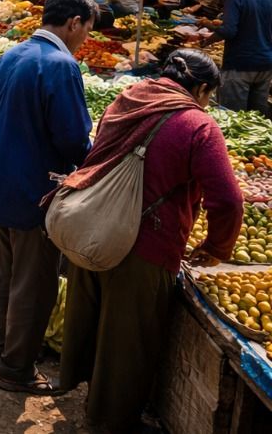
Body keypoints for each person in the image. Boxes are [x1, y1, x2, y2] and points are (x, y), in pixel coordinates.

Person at [58, 50, 242, 432]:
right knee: (128, 341)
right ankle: (110, 421)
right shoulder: (198, 125)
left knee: (91, 318)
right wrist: (216, 248)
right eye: (209, 95)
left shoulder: (127, 99)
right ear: (201, 88)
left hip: (93, 229)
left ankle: (87, 393)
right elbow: (227, 200)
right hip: (146, 246)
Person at [0, 0, 96, 395]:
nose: (85, 40)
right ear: (74, 23)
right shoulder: (61, 65)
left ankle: (1, 351)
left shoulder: (12, 54)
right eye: (86, 30)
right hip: (34, 189)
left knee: (10, 275)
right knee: (35, 283)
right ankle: (17, 369)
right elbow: (73, 138)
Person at [208, 0, 272, 114]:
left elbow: (229, 30)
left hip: (240, 65)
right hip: (265, 65)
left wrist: (206, 41)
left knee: (233, 116)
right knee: (257, 118)